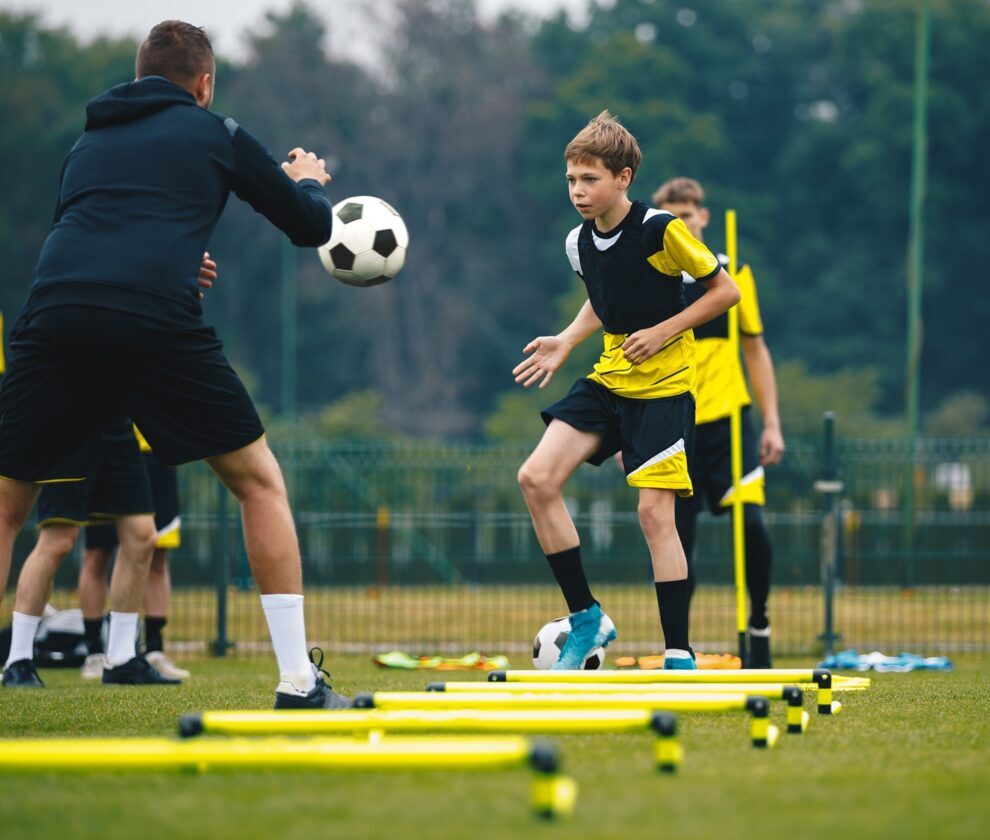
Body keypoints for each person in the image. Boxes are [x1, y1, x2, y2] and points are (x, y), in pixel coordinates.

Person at [0, 20, 348, 707]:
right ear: (204, 84)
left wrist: (179, 261)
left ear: (137, 79)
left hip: (54, 313)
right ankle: (298, 681)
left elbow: (95, 230)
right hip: (150, 318)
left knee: (9, 506)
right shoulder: (214, 131)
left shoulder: (87, 142)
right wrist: (306, 182)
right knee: (258, 484)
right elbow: (311, 227)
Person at [514, 112, 740, 671]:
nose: (577, 191)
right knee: (536, 478)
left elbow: (724, 291)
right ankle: (586, 617)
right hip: (610, 379)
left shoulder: (661, 229)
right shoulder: (578, 242)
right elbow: (604, 297)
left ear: (624, 178)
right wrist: (566, 340)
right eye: (571, 180)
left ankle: (678, 653)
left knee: (653, 515)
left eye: (589, 179)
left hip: (664, 387)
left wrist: (663, 331)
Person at [653, 176, 785, 667]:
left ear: (703, 217)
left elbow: (756, 348)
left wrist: (772, 423)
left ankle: (759, 623)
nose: (682, 223)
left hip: (729, 421)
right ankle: (678, 646)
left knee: (752, 525)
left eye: (688, 215)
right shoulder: (654, 278)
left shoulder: (733, 273)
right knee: (676, 538)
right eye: (672, 217)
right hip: (675, 422)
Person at [1, 417, 174, 687]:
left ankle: (122, 659)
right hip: (69, 424)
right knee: (58, 540)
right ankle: (18, 660)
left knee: (142, 535)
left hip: (118, 426)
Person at [80, 426, 190, 681]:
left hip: (155, 450)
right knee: (98, 554)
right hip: (108, 446)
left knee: (157, 554)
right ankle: (94, 653)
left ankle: (154, 650)